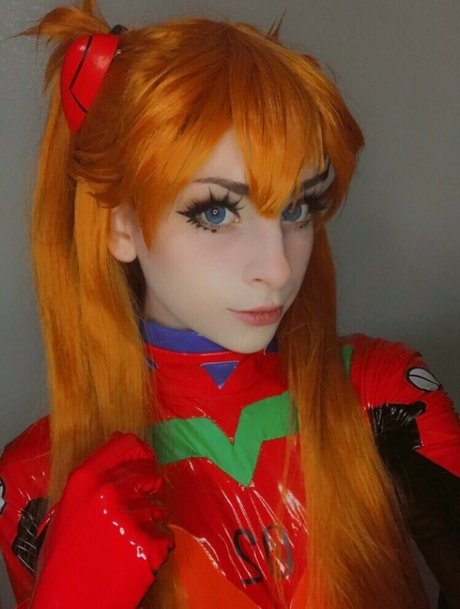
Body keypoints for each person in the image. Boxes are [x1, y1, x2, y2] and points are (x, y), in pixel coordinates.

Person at [0, 2, 459, 608]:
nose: (278, 268)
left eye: (296, 209)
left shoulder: (384, 398)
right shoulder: (38, 475)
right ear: (120, 225)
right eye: (216, 212)